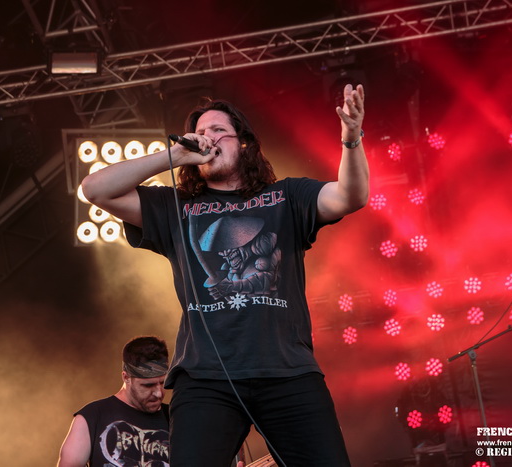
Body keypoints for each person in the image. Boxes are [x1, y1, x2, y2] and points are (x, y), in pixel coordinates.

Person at [81, 84, 368, 466]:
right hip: (205, 378)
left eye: (219, 130)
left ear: (244, 144)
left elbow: (351, 196)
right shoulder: (175, 207)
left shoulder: (286, 197)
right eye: (201, 132)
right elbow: (95, 189)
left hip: (287, 370)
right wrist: (176, 154)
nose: (208, 138)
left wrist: (351, 138)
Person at [57, 336, 170, 467]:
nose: (158, 393)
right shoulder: (94, 416)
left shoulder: (176, 417)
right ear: (126, 377)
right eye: (148, 385)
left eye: (162, 383)